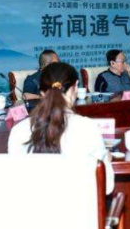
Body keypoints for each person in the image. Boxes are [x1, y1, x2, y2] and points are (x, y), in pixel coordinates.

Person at [8, 62, 113, 193]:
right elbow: (107, 187)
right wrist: (106, 160)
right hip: (78, 205)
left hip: (32, 205)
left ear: (42, 93)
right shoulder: (87, 128)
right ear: (75, 88)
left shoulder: (19, 131)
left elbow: (15, 183)